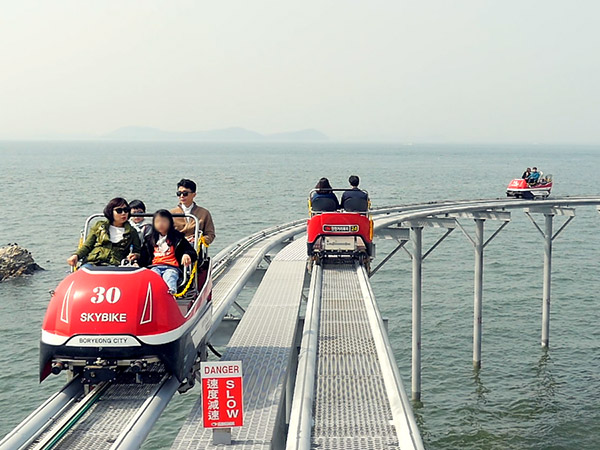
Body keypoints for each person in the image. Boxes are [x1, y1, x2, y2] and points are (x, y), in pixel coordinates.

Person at [67, 198, 141, 267]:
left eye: (126, 210)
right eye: (119, 211)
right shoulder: (99, 226)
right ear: (110, 211)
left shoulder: (132, 231)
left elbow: (137, 250)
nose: (123, 213)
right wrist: (76, 255)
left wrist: (135, 255)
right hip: (92, 262)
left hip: (115, 265)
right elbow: (87, 246)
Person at [141, 209, 197, 294]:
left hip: (172, 267)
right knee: (153, 276)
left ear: (170, 222)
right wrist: (136, 259)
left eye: (164, 221)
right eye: (158, 221)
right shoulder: (149, 239)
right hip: (154, 266)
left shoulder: (178, 238)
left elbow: (191, 251)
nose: (161, 224)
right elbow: (143, 255)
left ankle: (170, 293)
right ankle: (153, 294)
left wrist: (187, 254)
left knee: (170, 276)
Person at [171, 179, 216, 246]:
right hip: (176, 245)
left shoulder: (204, 213)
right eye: (179, 193)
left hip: (195, 246)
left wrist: (200, 240)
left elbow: (210, 234)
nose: (182, 196)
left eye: (185, 193)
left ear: (194, 195)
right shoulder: (171, 214)